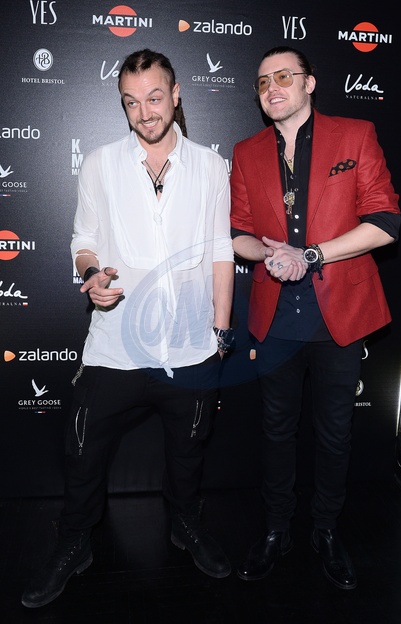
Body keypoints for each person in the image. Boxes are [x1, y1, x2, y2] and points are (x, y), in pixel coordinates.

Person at [22, 48, 235, 609]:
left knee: (189, 452)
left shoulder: (211, 167)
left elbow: (221, 251)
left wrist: (219, 335)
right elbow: (83, 240)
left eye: (155, 97)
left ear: (177, 94)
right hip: (115, 344)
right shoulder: (100, 163)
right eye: (131, 102)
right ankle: (75, 542)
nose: (145, 112)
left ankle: (184, 524)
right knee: (81, 450)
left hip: (190, 347)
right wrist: (91, 274)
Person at [230, 46, 400, 589]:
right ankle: (276, 530)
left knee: (334, 435)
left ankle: (325, 531)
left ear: (309, 83)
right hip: (275, 319)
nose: (272, 87)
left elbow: (386, 221)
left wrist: (311, 254)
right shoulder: (246, 152)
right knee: (276, 432)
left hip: (339, 317)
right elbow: (238, 233)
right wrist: (269, 255)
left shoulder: (355, 135)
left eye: (284, 76)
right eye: (263, 82)